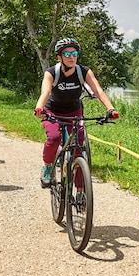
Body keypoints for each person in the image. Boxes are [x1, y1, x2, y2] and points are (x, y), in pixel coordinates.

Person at [33, 37, 118, 187]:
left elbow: (98, 90)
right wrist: (39, 107)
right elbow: (45, 92)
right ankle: (47, 167)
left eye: (74, 53)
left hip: (74, 111)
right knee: (54, 138)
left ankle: (81, 192)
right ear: (59, 57)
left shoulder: (83, 71)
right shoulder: (51, 72)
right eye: (67, 54)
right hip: (52, 111)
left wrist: (110, 108)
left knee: (79, 148)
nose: (71, 57)